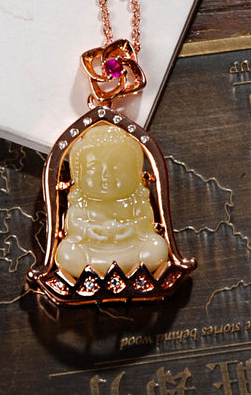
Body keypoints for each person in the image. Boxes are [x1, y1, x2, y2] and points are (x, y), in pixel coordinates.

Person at [54, 120, 169, 281]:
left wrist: (128, 230)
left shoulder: (134, 201)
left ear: (137, 173)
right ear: (78, 176)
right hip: (93, 249)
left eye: (119, 167)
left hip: (130, 246)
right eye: (95, 168)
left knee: (156, 248)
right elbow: (76, 228)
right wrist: (91, 231)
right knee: (67, 253)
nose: (106, 175)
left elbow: (144, 224)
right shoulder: (83, 204)